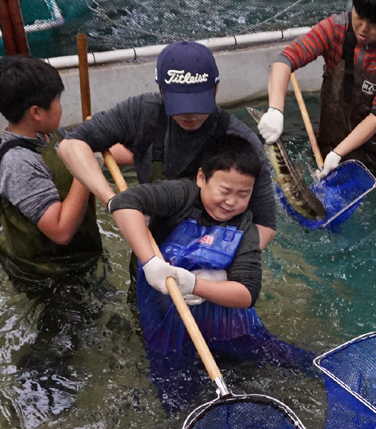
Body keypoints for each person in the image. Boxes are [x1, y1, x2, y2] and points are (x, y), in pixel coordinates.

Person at [108, 134, 308, 410]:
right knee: (175, 395)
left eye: (243, 194)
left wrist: (193, 284)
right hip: (169, 322)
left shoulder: (244, 227)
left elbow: (247, 292)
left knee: (282, 361)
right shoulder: (181, 195)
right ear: (202, 177)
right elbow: (123, 203)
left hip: (226, 323)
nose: (231, 203)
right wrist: (151, 262)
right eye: (224, 191)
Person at [59, 40, 278, 249]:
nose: (189, 114)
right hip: (151, 242)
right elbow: (70, 146)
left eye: (198, 103)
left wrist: (220, 264)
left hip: (216, 248)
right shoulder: (142, 113)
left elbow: (265, 225)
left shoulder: (240, 140)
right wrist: (116, 204)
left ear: (216, 89)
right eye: (179, 104)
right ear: (162, 91)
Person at [258, 0, 376, 187]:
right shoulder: (334, 29)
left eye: (374, 24)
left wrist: (338, 154)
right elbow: (285, 59)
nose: (363, 28)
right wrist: (275, 110)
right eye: (359, 16)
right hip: (333, 140)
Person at [0, 55, 103, 291]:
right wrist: (86, 171)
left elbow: (83, 151)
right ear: (36, 112)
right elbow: (60, 231)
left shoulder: (47, 134)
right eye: (57, 100)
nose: (61, 107)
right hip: (47, 277)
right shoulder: (18, 162)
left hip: (77, 259)